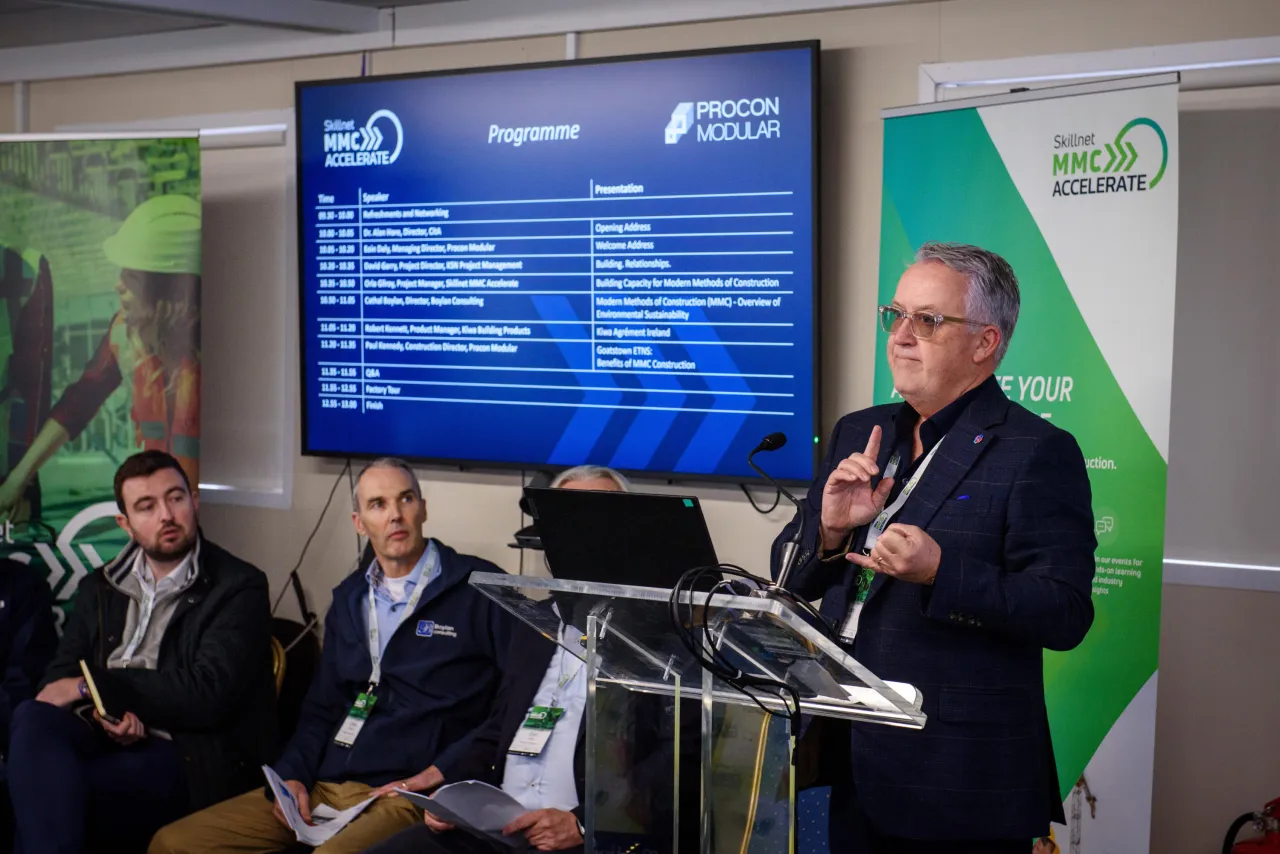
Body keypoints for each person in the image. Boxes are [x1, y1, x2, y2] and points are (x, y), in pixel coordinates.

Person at [773, 242, 1096, 853]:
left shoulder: (1035, 451)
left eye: (928, 320)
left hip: (958, 775)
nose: (901, 336)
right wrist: (829, 531)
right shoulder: (860, 430)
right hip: (847, 743)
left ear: (984, 342)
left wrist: (940, 572)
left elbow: (1065, 611)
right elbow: (789, 578)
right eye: (895, 315)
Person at [151, 457, 515, 854]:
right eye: (378, 504)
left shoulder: (481, 587)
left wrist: (442, 772)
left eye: (406, 499)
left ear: (423, 509)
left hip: (407, 794)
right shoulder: (349, 598)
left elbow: (515, 702)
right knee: (173, 843)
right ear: (359, 523)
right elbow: (321, 708)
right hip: (328, 785)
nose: (395, 515)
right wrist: (293, 775)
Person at [363, 465, 693, 854]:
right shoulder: (533, 622)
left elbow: (679, 760)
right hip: (495, 826)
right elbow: (498, 726)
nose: (582, 534)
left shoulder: (666, 638)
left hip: (584, 837)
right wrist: (449, 790)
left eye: (597, 518)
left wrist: (585, 822)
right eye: (567, 521)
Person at [6, 450, 275, 854]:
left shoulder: (238, 586)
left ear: (194, 500)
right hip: (102, 732)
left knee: (47, 792)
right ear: (125, 524)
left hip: (183, 752)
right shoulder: (100, 586)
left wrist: (106, 690)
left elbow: (207, 693)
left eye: (175, 498)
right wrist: (100, 712)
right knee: (31, 717)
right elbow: (55, 682)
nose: (166, 515)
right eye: (146, 506)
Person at [0, 194, 201, 523]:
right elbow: (79, 400)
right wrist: (16, 480)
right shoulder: (123, 334)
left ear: (169, 293)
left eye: (132, 278)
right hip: (159, 516)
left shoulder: (214, 355)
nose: (117, 284)